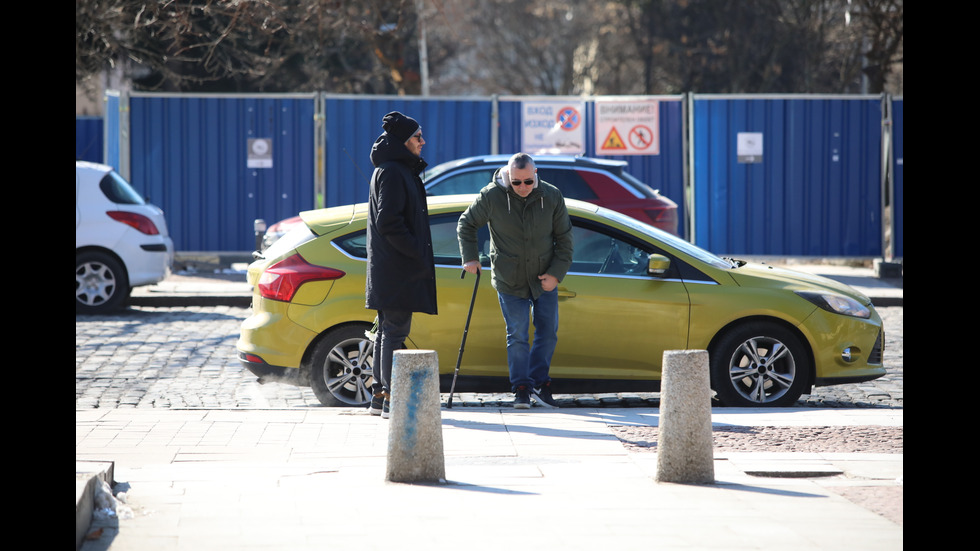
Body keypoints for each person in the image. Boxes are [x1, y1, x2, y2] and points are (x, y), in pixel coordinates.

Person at [457, 152, 573, 408]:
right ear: (508, 176)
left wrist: (556, 274)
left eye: (528, 182)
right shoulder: (491, 196)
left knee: (547, 333)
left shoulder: (551, 195)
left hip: (544, 277)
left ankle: (540, 383)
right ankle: (521, 387)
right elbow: (466, 224)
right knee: (518, 334)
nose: (522, 187)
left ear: (536, 175)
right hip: (509, 279)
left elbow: (564, 240)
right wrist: (470, 258)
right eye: (516, 182)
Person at [365, 111, 437, 419]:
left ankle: (380, 397)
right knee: (394, 332)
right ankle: (391, 398)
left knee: (388, 331)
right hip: (396, 268)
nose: (423, 142)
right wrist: (416, 253)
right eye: (417, 137)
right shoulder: (393, 171)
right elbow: (389, 222)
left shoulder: (394, 168)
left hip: (392, 268)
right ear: (403, 142)